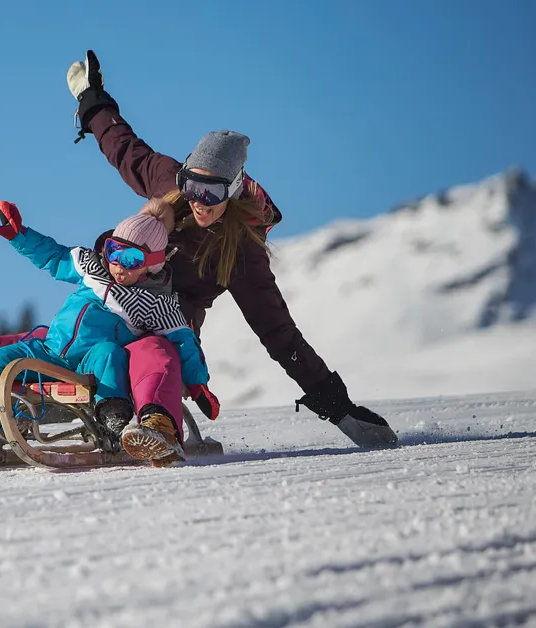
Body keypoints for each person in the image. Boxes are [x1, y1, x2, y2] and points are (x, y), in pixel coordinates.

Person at [65, 50, 398, 448]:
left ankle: (150, 420)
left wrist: (339, 408)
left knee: (149, 352)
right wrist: (91, 98)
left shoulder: (240, 251)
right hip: (117, 298)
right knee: (76, 332)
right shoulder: (167, 183)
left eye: (212, 192)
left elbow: (278, 333)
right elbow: (123, 147)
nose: (199, 200)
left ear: (234, 189)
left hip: (171, 325)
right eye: (193, 186)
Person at [0, 201, 218, 466]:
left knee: (111, 353)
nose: (118, 265)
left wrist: (197, 384)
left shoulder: (154, 302)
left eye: (131, 259)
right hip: (49, 351)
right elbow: (54, 256)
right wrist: (19, 235)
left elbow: (183, 340)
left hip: (88, 362)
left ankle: (114, 419)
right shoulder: (91, 267)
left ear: (151, 263)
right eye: (114, 252)